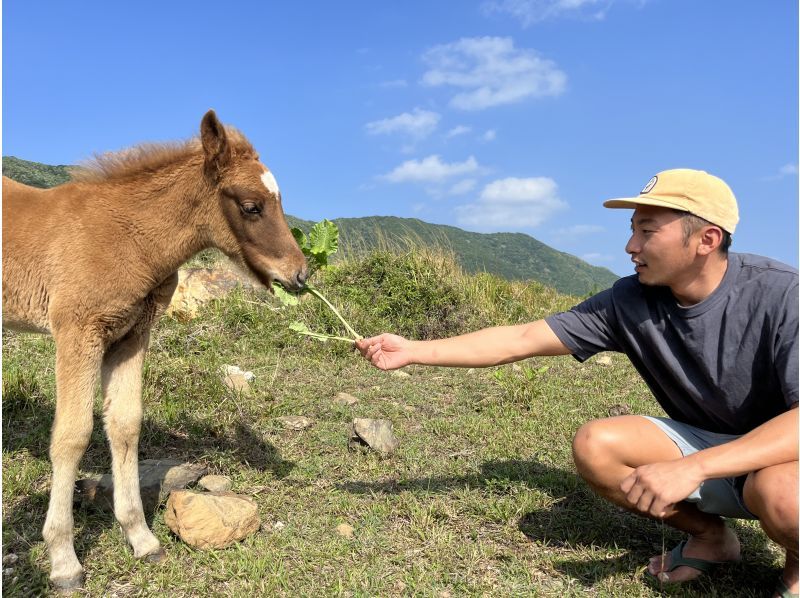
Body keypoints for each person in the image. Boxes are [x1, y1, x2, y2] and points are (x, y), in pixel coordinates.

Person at [355, 169, 798, 597]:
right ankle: (711, 538)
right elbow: (523, 338)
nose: (630, 246)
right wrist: (413, 349)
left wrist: (695, 467)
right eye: (632, 230)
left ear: (706, 239)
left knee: (778, 492)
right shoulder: (630, 300)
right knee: (597, 444)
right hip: (709, 440)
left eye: (647, 231)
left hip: (783, 457)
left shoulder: (782, 295)